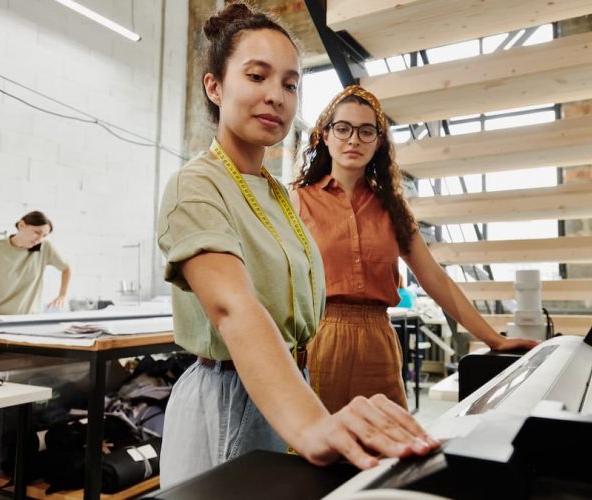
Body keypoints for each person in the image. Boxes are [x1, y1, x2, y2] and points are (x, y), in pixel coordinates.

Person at [156, 3, 436, 487]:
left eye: (289, 84)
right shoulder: (196, 185)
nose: (276, 97)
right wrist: (309, 423)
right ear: (215, 86)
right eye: (257, 76)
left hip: (291, 384)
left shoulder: (275, 193)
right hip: (230, 397)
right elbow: (234, 309)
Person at [291, 85, 540, 413]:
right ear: (325, 135)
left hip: (378, 344)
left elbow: (435, 279)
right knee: (317, 451)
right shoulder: (297, 200)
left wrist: (494, 339)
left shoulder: (392, 208)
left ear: (379, 141)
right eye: (343, 128)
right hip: (318, 340)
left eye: (366, 131)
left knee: (386, 448)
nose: (354, 140)